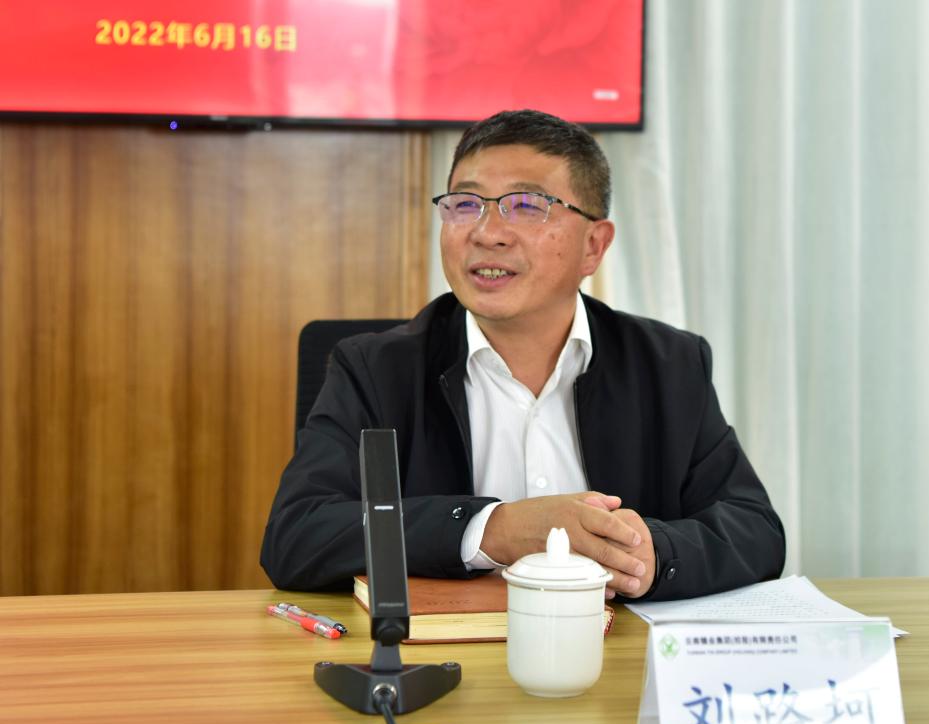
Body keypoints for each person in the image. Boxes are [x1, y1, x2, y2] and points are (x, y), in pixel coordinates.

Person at [260, 109, 785, 601]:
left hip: (611, 653)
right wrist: (494, 529)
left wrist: (652, 554)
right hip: (447, 658)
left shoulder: (668, 364)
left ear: (594, 246)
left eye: (528, 206)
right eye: (465, 204)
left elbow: (754, 529)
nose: (487, 233)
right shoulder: (375, 369)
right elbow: (297, 536)